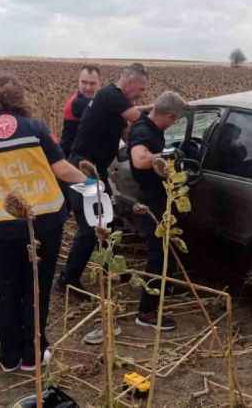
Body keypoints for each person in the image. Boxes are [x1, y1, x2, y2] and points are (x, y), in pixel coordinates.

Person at [0, 74, 88, 372]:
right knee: (36, 287)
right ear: (20, 99)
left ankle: (8, 356)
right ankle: (33, 355)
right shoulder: (35, 129)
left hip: (1, 225)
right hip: (44, 223)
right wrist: (91, 180)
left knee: (6, 289)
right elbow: (62, 170)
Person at [57, 63, 152, 295]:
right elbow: (140, 119)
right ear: (129, 82)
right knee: (90, 229)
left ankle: (112, 267)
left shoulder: (113, 99)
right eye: (140, 89)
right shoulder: (111, 95)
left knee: (107, 222)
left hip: (94, 172)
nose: (141, 93)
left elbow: (129, 122)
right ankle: (67, 281)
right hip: (83, 171)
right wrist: (162, 112)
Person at [128, 91, 188, 331]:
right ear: (169, 116)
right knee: (157, 255)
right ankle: (146, 312)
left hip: (161, 196)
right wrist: (164, 155)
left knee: (167, 246)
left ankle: (167, 284)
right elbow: (139, 160)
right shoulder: (143, 132)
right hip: (152, 201)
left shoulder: (148, 121)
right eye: (174, 120)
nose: (173, 124)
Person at [60, 65, 101, 157]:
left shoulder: (92, 100)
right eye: (84, 82)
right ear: (78, 81)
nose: (88, 87)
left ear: (99, 84)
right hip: (71, 157)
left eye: (92, 83)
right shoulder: (78, 102)